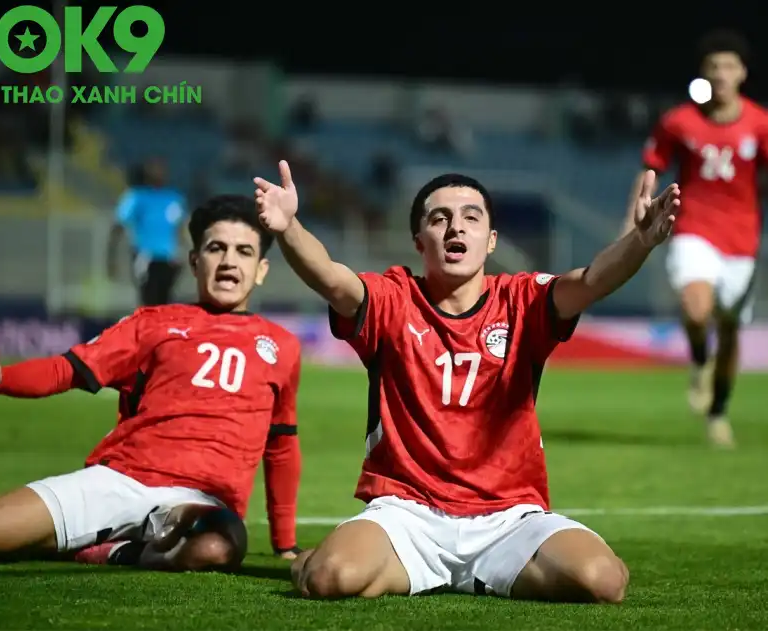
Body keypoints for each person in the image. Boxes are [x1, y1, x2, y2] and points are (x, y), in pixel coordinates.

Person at [253, 161, 679, 602]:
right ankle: (340, 561)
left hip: (508, 519)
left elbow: (590, 281)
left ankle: (462, 572)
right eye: (440, 219)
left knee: (603, 581)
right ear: (419, 241)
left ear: (491, 240)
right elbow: (330, 277)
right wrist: (289, 228)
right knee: (329, 578)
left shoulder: (523, 300)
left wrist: (640, 242)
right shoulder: (393, 298)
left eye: (471, 218)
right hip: (407, 514)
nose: (456, 227)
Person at [0, 195, 303, 571]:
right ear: (193, 261)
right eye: (216, 248)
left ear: (261, 269)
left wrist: (285, 544)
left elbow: (281, 447)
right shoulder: (151, 322)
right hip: (122, 478)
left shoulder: (281, 346)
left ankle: (108, 550)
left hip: (198, 503)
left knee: (216, 548)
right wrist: (2, 380)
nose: (229, 261)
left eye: (243, 251)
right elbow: (67, 369)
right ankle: (116, 544)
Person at [622, 30, 768, 447]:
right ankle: (700, 359)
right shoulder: (679, 122)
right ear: (703, 73)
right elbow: (651, 168)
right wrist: (635, 219)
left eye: (728, 66)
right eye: (713, 66)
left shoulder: (760, 123)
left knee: (731, 330)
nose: (721, 74)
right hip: (693, 229)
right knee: (696, 306)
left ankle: (718, 411)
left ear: (742, 73)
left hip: (742, 241)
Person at [107, 158, 188, 306]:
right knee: (149, 298)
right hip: (145, 256)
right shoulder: (136, 197)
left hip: (168, 258)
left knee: (165, 300)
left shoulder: (173, 198)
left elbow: (179, 228)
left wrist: (182, 252)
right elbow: (119, 225)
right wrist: (111, 257)